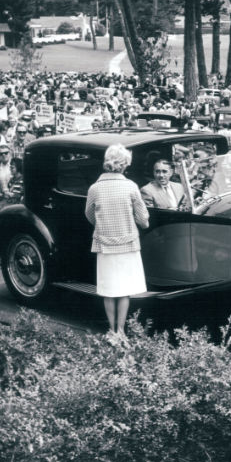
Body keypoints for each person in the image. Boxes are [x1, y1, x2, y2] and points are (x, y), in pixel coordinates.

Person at [85, 144, 150, 345]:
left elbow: (89, 215)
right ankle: (121, 331)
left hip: (104, 244)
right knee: (124, 290)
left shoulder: (94, 188)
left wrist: (103, 225)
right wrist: (142, 222)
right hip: (128, 244)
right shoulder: (131, 186)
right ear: (124, 165)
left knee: (108, 289)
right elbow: (143, 218)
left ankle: (111, 330)